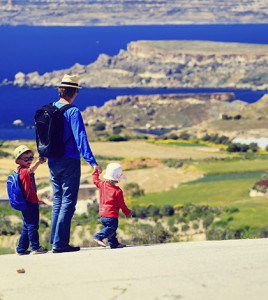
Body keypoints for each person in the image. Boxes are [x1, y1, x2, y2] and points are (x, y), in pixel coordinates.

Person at [48, 74, 102, 253]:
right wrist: (92, 162)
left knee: (57, 200)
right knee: (68, 201)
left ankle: (54, 240)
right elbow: (81, 139)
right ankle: (60, 243)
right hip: (69, 160)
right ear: (75, 92)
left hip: (52, 160)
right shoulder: (73, 111)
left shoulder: (50, 109)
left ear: (60, 90)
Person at [14, 145, 48, 255]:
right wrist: (37, 162)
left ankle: (21, 248)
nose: (29, 160)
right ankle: (35, 247)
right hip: (31, 202)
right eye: (26, 158)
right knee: (33, 225)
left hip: (25, 202)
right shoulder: (24, 171)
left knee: (27, 225)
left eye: (31, 158)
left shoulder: (19, 171)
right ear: (18, 160)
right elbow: (31, 170)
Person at [92, 162, 132, 249]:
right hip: (111, 215)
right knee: (112, 228)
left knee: (110, 229)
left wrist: (95, 172)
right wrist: (127, 212)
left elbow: (95, 180)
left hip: (102, 215)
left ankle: (114, 244)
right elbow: (122, 205)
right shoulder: (118, 191)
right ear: (117, 179)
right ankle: (98, 236)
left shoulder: (102, 185)